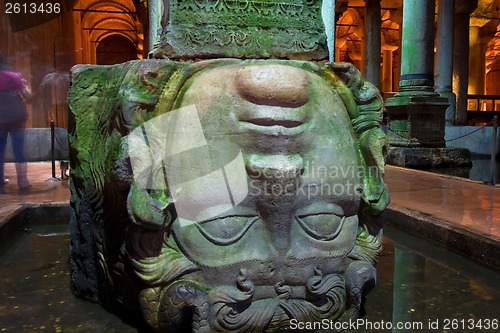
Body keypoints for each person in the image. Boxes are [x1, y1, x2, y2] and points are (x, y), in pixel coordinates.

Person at [0, 53, 32, 193]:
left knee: (0, 150)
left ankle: (0, 180)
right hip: (17, 118)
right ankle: (23, 181)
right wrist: (25, 86)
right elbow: (28, 96)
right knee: (19, 150)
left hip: (1, 120)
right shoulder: (14, 76)